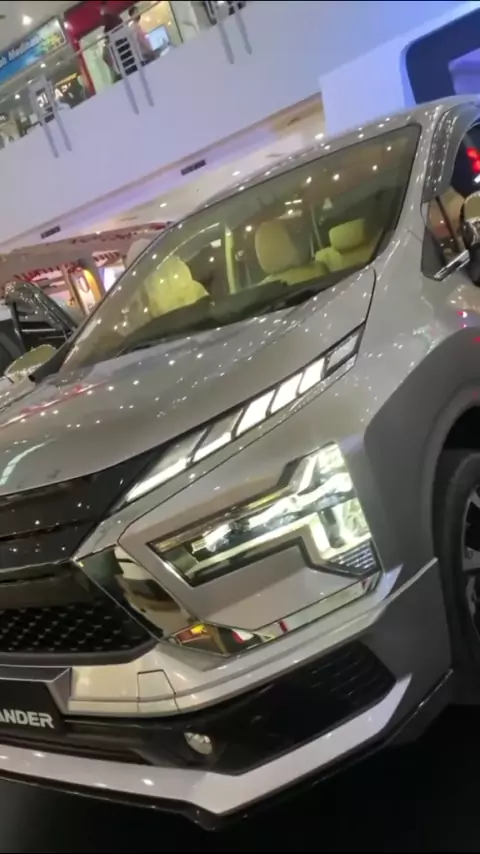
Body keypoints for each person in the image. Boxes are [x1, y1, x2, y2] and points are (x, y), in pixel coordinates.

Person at [100, 2, 138, 81]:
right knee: (132, 68)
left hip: (120, 50)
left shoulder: (108, 20)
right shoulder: (115, 18)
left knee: (128, 71)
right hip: (124, 47)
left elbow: (106, 34)